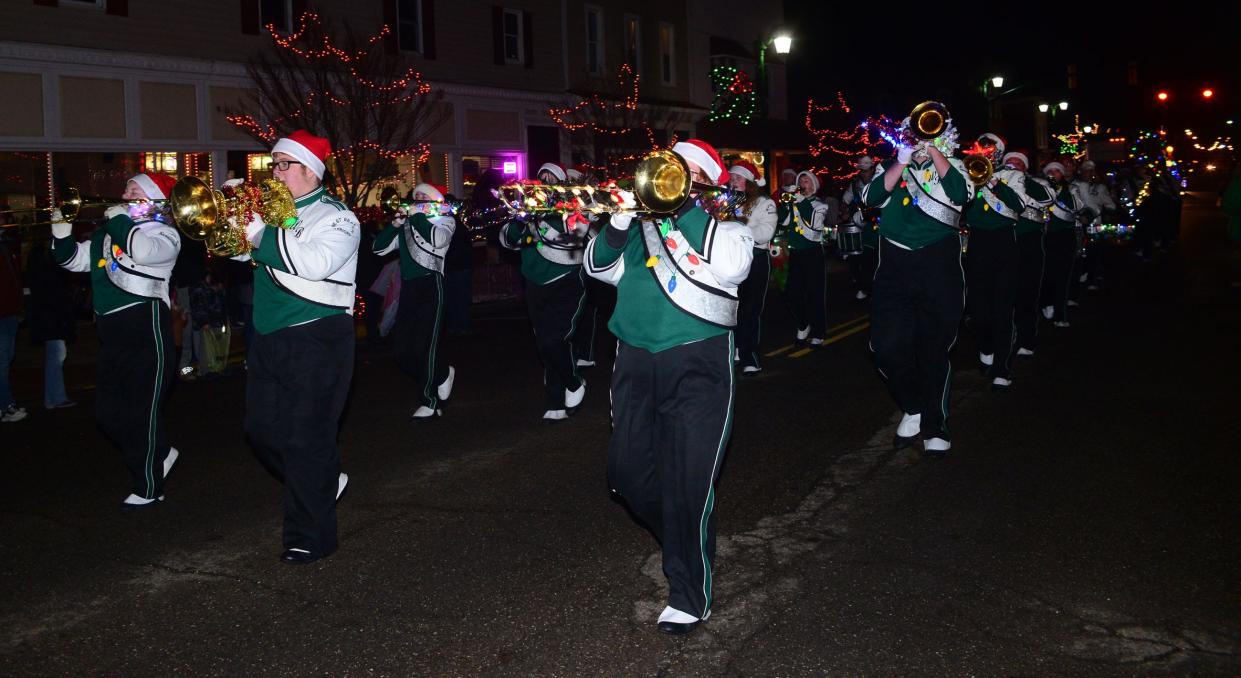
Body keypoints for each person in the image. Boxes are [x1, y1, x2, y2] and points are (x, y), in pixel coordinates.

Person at [584, 139, 753, 635]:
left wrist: (690, 208)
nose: (666, 180)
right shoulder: (639, 229)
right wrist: (617, 221)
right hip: (635, 362)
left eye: (681, 173)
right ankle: (687, 537)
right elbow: (596, 267)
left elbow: (733, 268)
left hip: (697, 364)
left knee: (687, 482)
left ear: (701, 182)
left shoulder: (728, 229)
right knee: (626, 475)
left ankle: (688, 590)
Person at [238, 130, 358, 564]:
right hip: (269, 335)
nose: (275, 172)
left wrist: (255, 230)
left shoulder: (338, 217)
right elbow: (244, 253)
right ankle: (323, 481)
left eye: (283, 164)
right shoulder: (271, 216)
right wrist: (227, 225)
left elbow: (313, 263)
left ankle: (309, 537)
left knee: (307, 438)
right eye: (273, 164)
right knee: (261, 431)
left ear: (310, 170)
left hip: (318, 336)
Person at [51, 172, 182, 506]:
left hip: (145, 325)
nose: (125, 193)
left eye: (134, 190)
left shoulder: (165, 233)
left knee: (143, 411)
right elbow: (70, 259)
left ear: (153, 198)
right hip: (110, 332)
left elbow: (142, 251)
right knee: (108, 414)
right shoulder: (107, 233)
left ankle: (149, 487)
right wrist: (62, 228)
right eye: (126, 188)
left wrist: (119, 221)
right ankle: (159, 452)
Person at [861, 115, 973, 456]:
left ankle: (935, 424)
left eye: (930, 135)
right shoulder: (894, 166)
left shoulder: (954, 166)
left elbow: (960, 193)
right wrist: (903, 158)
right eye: (914, 135)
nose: (920, 140)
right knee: (885, 346)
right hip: (895, 267)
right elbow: (871, 198)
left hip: (937, 265)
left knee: (933, 349)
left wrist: (935, 150)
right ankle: (913, 405)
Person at [499, 162, 588, 420]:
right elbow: (508, 241)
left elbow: (574, 237)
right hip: (535, 284)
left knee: (554, 340)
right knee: (545, 344)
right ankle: (555, 401)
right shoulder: (528, 210)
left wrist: (541, 217)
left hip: (567, 281)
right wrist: (521, 218)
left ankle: (574, 383)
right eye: (542, 178)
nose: (545, 182)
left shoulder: (573, 210)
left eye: (552, 179)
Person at [373, 182, 457, 419]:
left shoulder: (445, 220)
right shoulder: (407, 225)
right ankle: (441, 374)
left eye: (423, 196)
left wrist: (416, 215)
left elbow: (437, 240)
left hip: (432, 285)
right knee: (402, 352)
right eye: (415, 196)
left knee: (426, 346)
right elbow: (378, 249)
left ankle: (430, 401)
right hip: (409, 289)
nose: (417, 199)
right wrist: (395, 224)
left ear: (434, 200)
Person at [962, 134, 1026, 390]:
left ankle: (1002, 366)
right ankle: (986, 346)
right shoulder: (968, 174)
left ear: (998, 152)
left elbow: (1018, 204)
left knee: (1002, 308)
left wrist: (993, 181)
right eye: (981, 149)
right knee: (978, 310)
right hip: (977, 243)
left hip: (1003, 243)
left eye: (989, 149)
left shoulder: (1013, 176)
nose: (984, 153)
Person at [728, 159, 777, 374]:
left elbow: (766, 233)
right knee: (731, 308)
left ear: (749, 181)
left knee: (751, 310)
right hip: (730, 257)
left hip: (755, 258)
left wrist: (738, 226)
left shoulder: (764, 202)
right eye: (731, 177)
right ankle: (735, 349)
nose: (733, 180)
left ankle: (750, 355)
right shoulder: (726, 200)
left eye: (737, 177)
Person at [1006, 152, 1054, 357]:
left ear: (1025, 168)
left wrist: (1020, 178)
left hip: (1029, 242)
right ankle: (1009, 334)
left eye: (1017, 164)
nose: (1012, 167)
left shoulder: (1036, 182)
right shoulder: (996, 179)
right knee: (1006, 293)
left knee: (1027, 291)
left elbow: (1048, 198)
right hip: (1005, 242)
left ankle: (1027, 338)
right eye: (1009, 164)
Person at [777, 171, 830, 344]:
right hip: (796, 253)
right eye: (801, 180)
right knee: (792, 294)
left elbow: (814, 223)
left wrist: (800, 201)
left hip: (813, 252)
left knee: (815, 294)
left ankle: (818, 332)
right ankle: (803, 324)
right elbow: (782, 221)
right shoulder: (796, 201)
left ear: (813, 186)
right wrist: (786, 204)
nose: (803, 183)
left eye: (806, 181)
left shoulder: (820, 205)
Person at [24, 238, 77, 409]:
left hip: (50, 312)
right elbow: (51, 287)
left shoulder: (38, 256)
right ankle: (56, 397)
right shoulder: (43, 257)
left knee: (56, 354)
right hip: (52, 313)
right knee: (56, 354)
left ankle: (54, 397)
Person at [1039, 162, 1084, 328]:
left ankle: (1061, 313)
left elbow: (1076, 205)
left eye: (1056, 171)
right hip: (1044, 235)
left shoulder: (1071, 188)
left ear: (1062, 174)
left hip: (1065, 235)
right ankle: (1046, 301)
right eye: (1049, 171)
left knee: (1063, 275)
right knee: (1046, 272)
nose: (1053, 173)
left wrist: (1058, 189)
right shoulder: (1040, 186)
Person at [841, 155, 882, 300]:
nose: (863, 173)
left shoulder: (880, 181)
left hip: (881, 222)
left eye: (866, 170)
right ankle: (865, 286)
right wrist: (845, 211)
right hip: (864, 224)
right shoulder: (854, 184)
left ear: (872, 169)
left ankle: (875, 286)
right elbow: (845, 201)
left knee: (878, 258)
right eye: (861, 170)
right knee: (862, 257)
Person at [0, 220, 25, 423]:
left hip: (9, 312)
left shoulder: (6, 245)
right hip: (3, 313)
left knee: (6, 359)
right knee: (2, 362)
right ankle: (5, 405)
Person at [190, 266, 229, 378]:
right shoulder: (199, 288)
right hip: (207, 323)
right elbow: (198, 307)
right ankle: (205, 370)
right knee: (205, 348)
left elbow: (219, 303)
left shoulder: (211, 287)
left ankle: (217, 367)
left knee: (216, 345)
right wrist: (204, 322)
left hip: (216, 321)